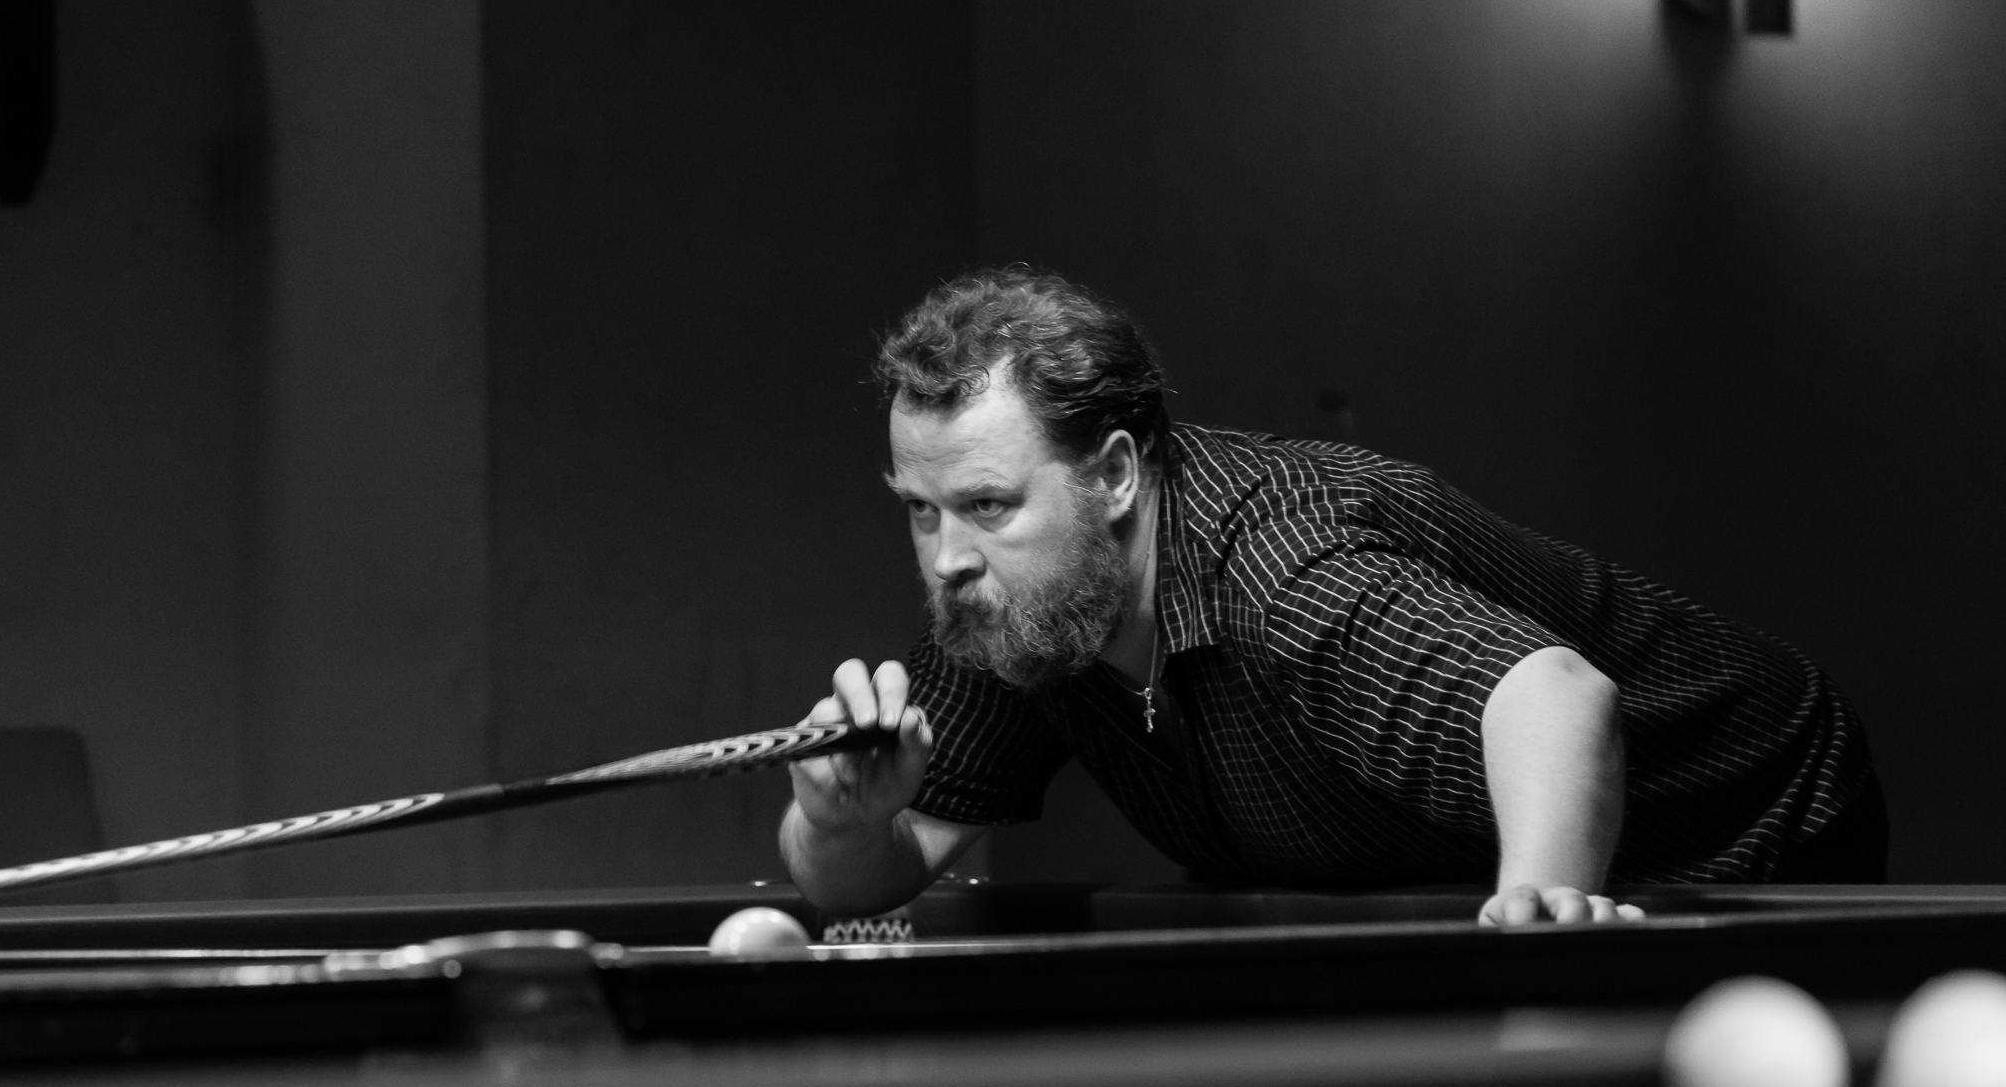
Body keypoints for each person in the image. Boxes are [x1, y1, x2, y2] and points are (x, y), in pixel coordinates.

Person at [782, 269, 1883, 926]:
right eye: (920, 510)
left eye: (985, 503)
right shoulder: (1017, 607)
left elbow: (1556, 698)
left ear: (1113, 476)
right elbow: (870, 877)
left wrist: (1540, 932)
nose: (947, 556)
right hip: (1492, 867)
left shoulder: (1287, 576)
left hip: (1746, 828)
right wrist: (841, 819)